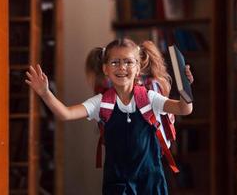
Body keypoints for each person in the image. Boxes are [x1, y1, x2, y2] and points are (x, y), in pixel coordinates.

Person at [25, 38, 193, 195]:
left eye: (128, 62)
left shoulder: (150, 98)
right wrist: (45, 93)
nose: (122, 67)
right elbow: (65, 114)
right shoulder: (102, 103)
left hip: (150, 183)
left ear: (138, 68)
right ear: (105, 69)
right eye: (115, 62)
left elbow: (184, 109)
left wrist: (185, 89)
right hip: (116, 184)